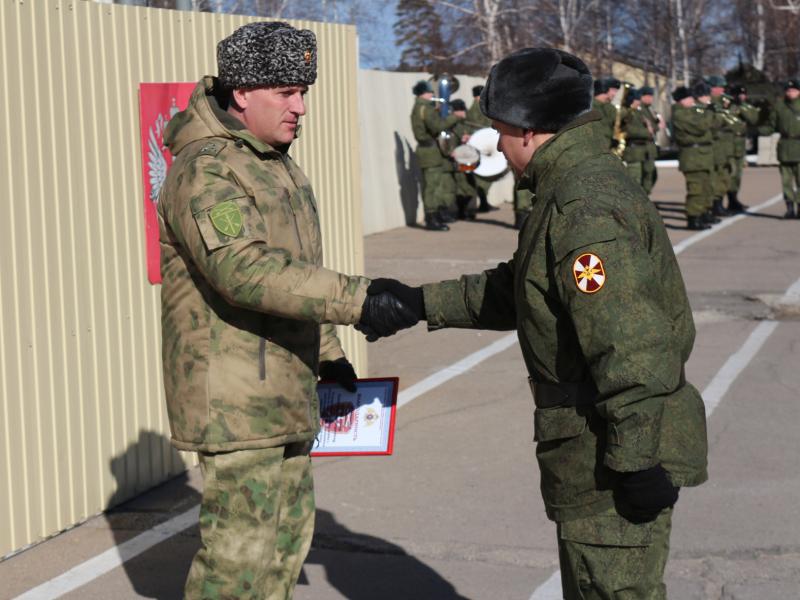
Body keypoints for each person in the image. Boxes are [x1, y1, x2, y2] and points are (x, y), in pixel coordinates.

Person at [359, 48, 708, 599]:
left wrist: (637, 460)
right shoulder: (573, 186)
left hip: (611, 454)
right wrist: (417, 303)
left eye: (499, 130)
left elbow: (631, 345)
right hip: (596, 446)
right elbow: (525, 289)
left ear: (527, 129)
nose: (496, 143)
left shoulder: (582, 207)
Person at [157, 22, 415, 598]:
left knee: (284, 548)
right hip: (235, 402)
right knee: (238, 563)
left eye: (304, 91)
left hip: (283, 388)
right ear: (242, 93)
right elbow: (244, 271)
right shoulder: (208, 169)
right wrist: (360, 300)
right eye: (286, 92)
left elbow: (294, 266)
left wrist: (327, 353)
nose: (300, 106)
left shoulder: (272, 161)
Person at [410, 80, 462, 230]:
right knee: (432, 186)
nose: (432, 95)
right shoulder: (425, 108)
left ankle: (436, 215)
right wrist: (455, 117)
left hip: (430, 151)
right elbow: (437, 126)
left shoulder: (422, 107)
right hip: (429, 151)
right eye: (430, 92)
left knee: (435, 185)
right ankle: (431, 218)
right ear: (424, 93)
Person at [671, 84, 716, 230]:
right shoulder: (680, 114)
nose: (692, 100)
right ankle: (693, 218)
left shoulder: (690, 111)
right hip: (692, 157)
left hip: (702, 156)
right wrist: (709, 112)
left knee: (705, 187)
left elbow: (710, 127)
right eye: (689, 97)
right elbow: (701, 127)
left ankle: (702, 214)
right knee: (696, 189)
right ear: (681, 100)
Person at [760, 79, 800, 218]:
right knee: (786, 181)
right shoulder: (779, 106)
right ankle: (789, 208)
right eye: (788, 91)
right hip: (785, 147)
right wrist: (762, 130)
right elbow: (772, 124)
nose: (791, 93)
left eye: (794, 90)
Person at [706, 75, 737, 218]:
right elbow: (713, 123)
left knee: (724, 177)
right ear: (713, 88)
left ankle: (719, 204)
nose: (722, 90)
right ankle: (713, 206)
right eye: (720, 87)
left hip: (725, 146)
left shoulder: (725, 101)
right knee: (715, 178)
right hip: (715, 147)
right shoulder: (708, 102)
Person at [726, 84, 760, 213]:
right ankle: (730, 200)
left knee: (738, 174)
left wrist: (742, 107)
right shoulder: (729, 107)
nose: (741, 96)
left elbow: (753, 119)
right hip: (729, 143)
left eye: (743, 94)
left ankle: (734, 200)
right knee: (730, 173)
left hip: (740, 144)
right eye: (739, 94)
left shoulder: (746, 107)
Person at [467, 85, 499, 213]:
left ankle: (484, 202)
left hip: (476, 145)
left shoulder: (471, 109)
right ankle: (483, 203)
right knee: (485, 176)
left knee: (483, 176)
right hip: (483, 145)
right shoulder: (481, 108)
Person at [450, 98, 478, 220]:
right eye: (459, 111)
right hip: (456, 159)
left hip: (469, 158)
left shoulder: (466, 124)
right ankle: (460, 211)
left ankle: (469, 211)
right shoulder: (451, 124)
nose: (462, 113)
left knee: (469, 185)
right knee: (459, 186)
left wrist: (470, 137)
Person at [620, 88, 652, 190]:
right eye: (637, 99)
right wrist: (647, 132)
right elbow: (628, 130)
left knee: (645, 178)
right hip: (633, 151)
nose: (639, 102)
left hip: (642, 151)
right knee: (634, 179)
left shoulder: (638, 112)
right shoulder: (626, 112)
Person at [639, 85, 664, 195]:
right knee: (644, 174)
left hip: (650, 147)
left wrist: (657, 122)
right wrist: (657, 126)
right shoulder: (640, 109)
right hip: (642, 147)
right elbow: (649, 127)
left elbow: (653, 126)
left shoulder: (649, 109)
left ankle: (646, 196)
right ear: (642, 97)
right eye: (648, 96)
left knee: (651, 174)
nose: (651, 99)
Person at [592, 78, 616, 150]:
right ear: (605, 89)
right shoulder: (592, 106)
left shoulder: (606, 106)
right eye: (614, 90)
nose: (615, 94)